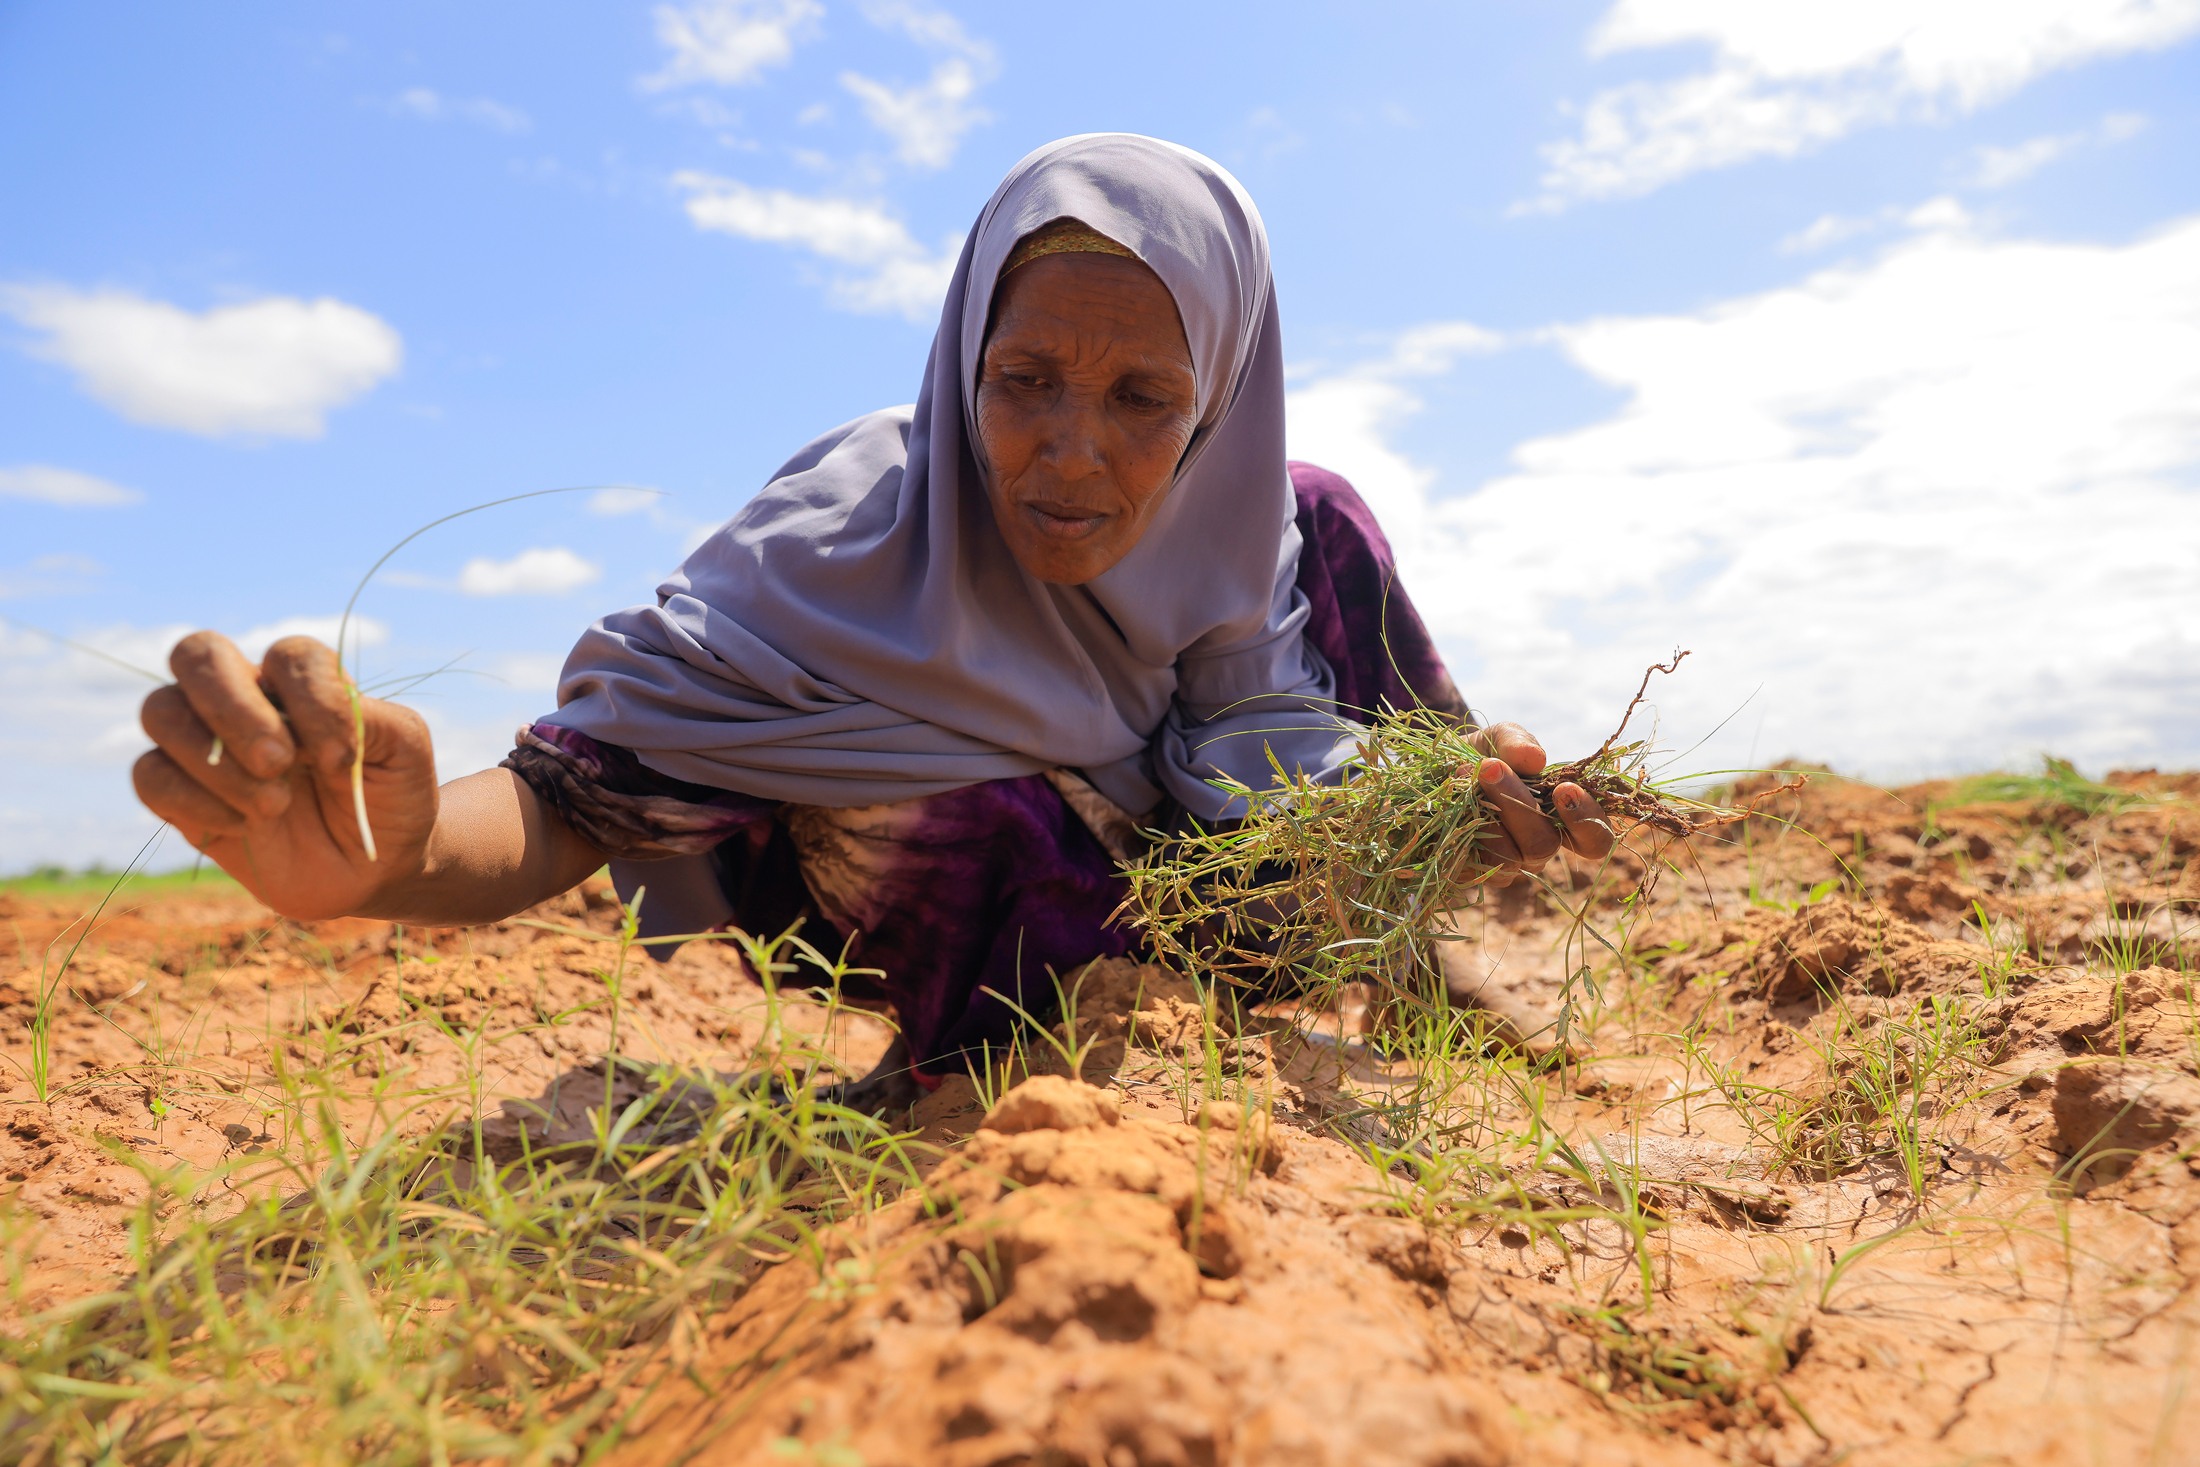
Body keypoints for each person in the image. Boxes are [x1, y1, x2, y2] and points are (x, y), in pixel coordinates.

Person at [130, 134, 1613, 1107]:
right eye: (1024, 378)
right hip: (1018, 975)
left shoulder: (1286, 543)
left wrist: (1466, 818)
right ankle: (951, 1080)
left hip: (1244, 922)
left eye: (1141, 401)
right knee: (951, 797)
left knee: (1335, 516)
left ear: (1218, 396)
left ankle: (1416, 978)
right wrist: (379, 861)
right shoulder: (844, 541)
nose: (1068, 448)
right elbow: (570, 798)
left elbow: (1423, 766)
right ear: (964, 352)